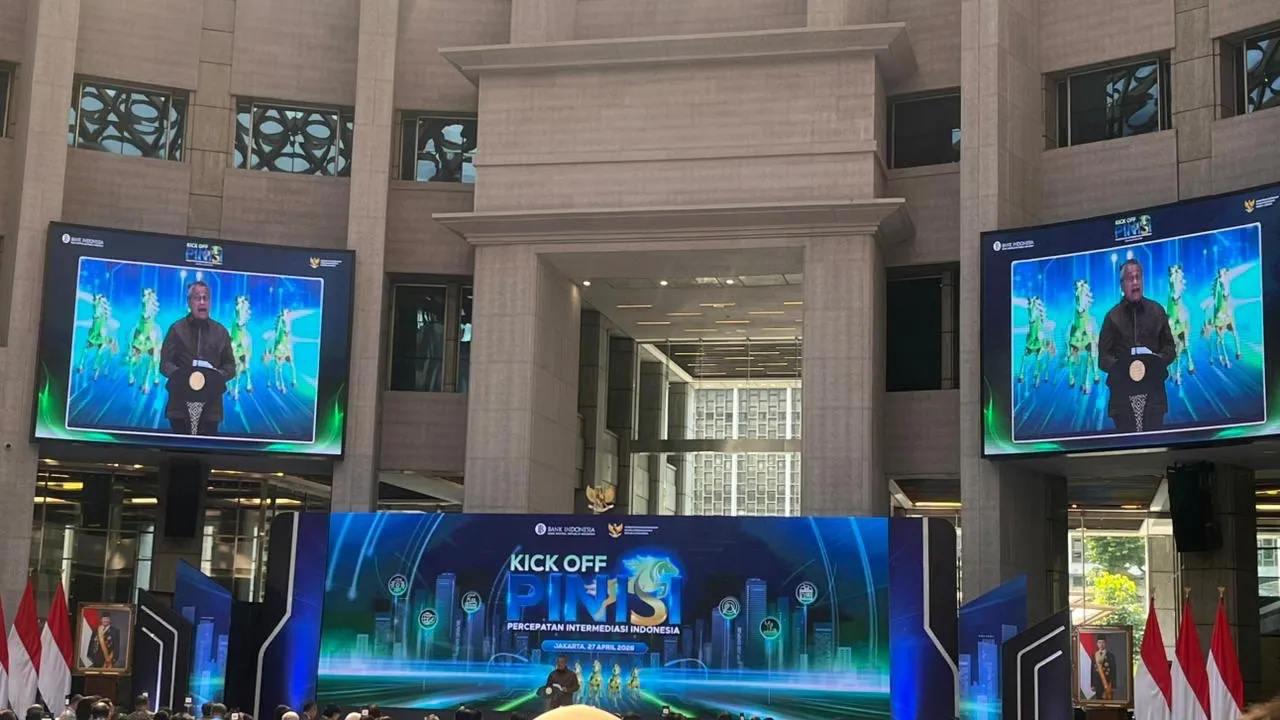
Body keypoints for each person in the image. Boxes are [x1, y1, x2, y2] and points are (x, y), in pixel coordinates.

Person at [1097, 259, 1177, 432]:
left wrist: (1156, 361)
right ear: (1122, 284)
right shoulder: (1112, 317)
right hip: (1122, 401)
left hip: (1154, 397)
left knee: (1154, 443)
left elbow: (1170, 349)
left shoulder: (1157, 311)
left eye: (1138, 277)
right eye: (1129, 278)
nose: (1135, 282)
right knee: (1128, 446)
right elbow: (1103, 359)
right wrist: (1125, 368)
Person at [159, 280, 236, 436]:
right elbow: (165, 364)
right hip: (179, 407)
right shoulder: (176, 329)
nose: (202, 302)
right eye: (197, 298)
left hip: (211, 408)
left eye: (205, 297)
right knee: (180, 447)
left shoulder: (221, 332)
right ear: (189, 302)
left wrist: (216, 375)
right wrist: (184, 376)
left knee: (206, 448)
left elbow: (230, 367)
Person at [1090, 636, 1117, 701]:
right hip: (1097, 682)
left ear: (1105, 643)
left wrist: (1114, 685)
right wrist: (1092, 684)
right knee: (1098, 702)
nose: (1101, 644)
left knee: (1109, 703)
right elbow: (1092, 671)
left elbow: (1114, 671)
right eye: (1099, 642)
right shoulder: (1094, 655)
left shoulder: (1111, 655)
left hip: (1108, 683)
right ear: (1097, 644)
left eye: (1103, 642)